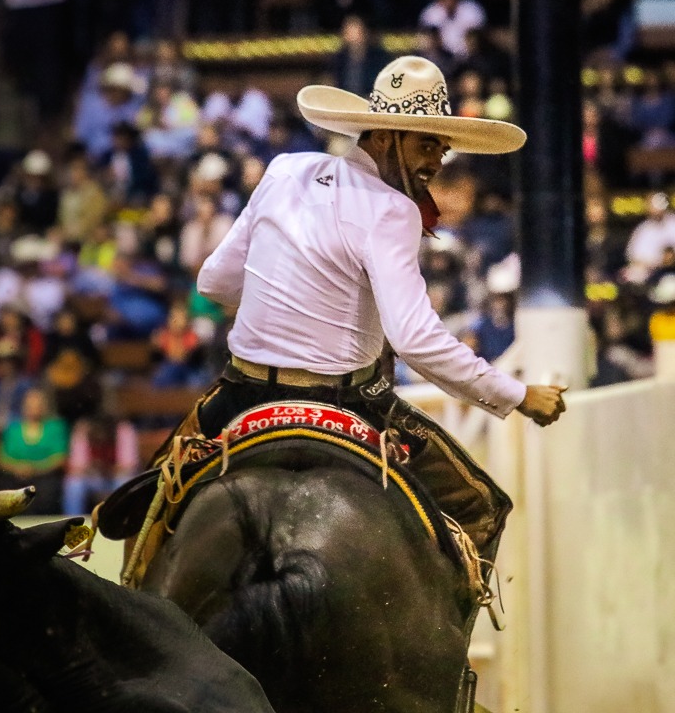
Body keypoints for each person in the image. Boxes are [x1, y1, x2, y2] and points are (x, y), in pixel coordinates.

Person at [148, 56, 567, 562]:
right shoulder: (393, 209)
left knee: (152, 498)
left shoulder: (285, 170)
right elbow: (415, 342)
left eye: (442, 144)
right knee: (479, 507)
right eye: (426, 142)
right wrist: (519, 395)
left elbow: (214, 282)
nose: (438, 159)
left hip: (241, 392)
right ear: (386, 136)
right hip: (343, 402)